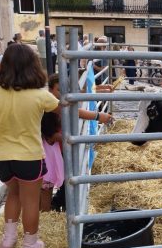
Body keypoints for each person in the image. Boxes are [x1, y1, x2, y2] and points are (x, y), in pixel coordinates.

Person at [0, 43, 60, 248]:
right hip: (29, 157)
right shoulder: (40, 95)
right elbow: (67, 108)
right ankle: (30, 245)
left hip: (1, 158)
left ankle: (7, 242)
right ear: (33, 66)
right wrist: (95, 116)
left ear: (4, 66)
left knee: (13, 194)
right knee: (30, 201)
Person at [46, 74, 113, 211]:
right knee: (53, 182)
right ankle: (52, 206)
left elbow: (82, 93)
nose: (62, 94)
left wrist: (101, 89)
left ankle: (60, 204)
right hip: (52, 150)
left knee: (67, 177)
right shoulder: (49, 104)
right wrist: (98, 116)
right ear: (50, 89)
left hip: (62, 148)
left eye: (66, 91)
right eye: (59, 90)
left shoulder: (63, 100)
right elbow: (51, 135)